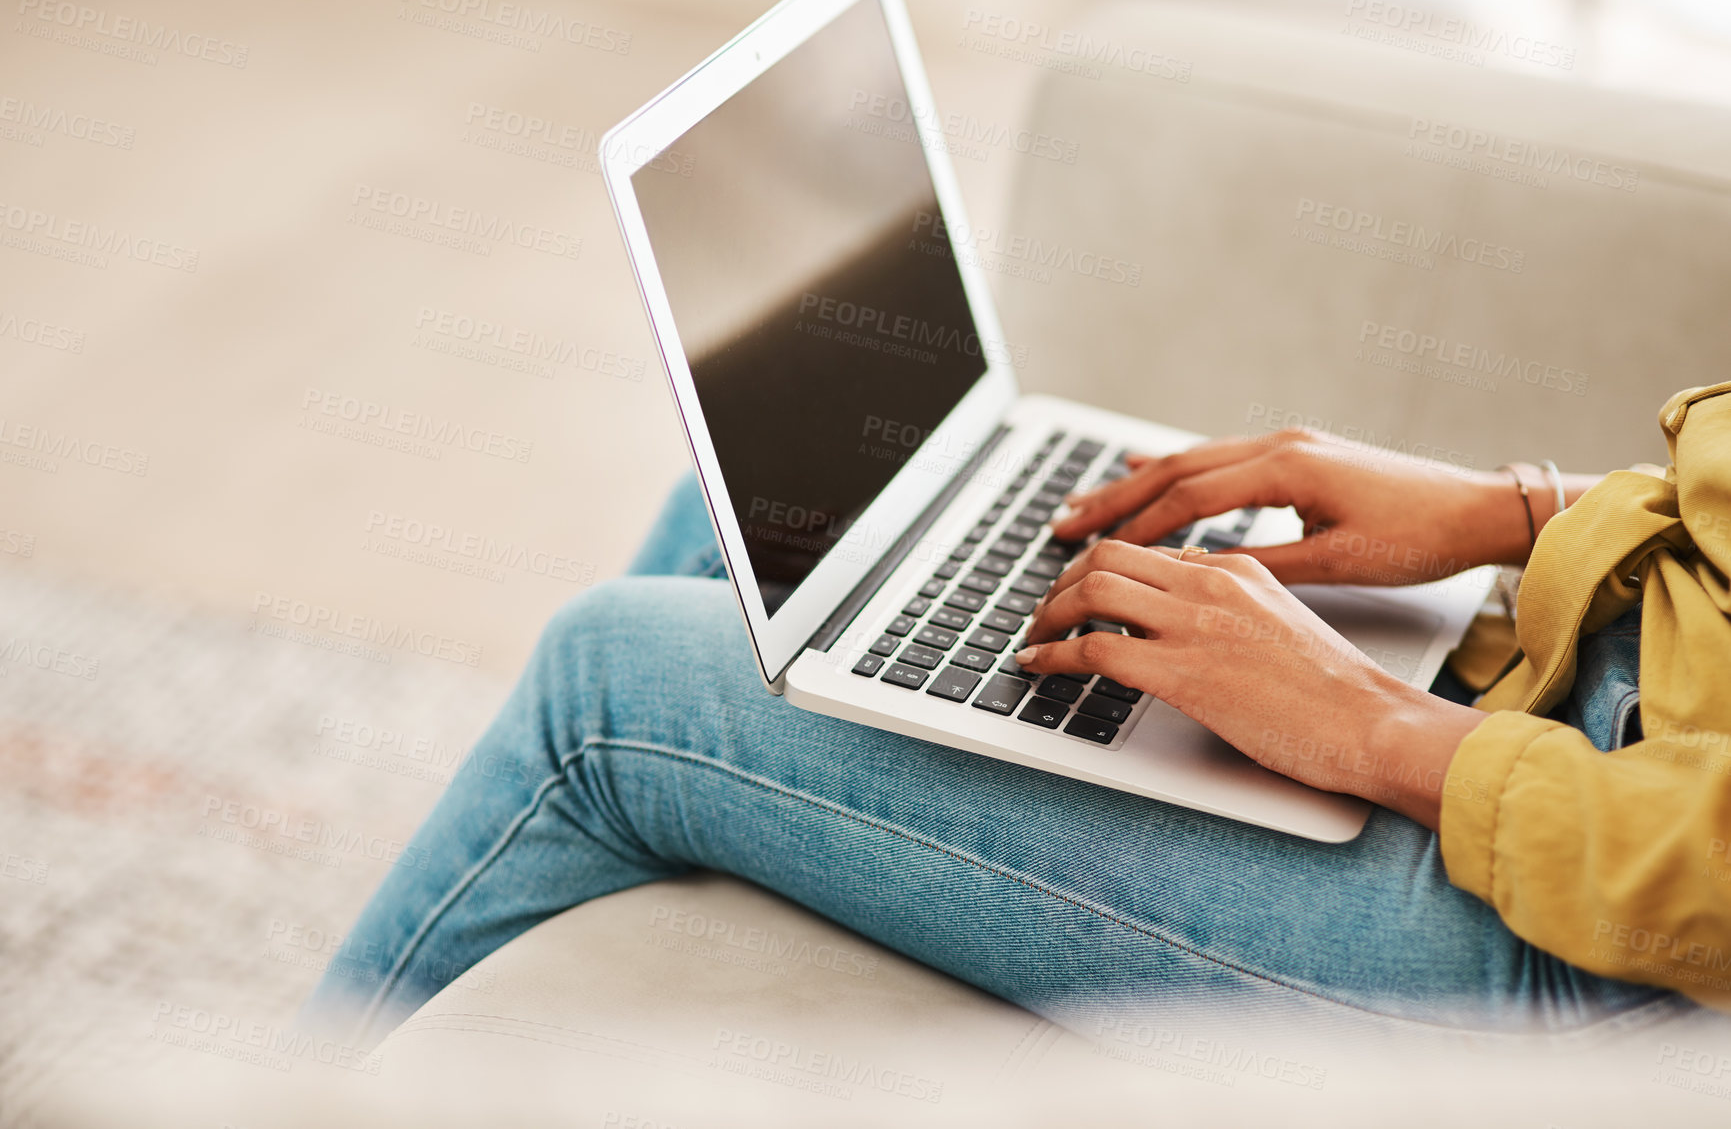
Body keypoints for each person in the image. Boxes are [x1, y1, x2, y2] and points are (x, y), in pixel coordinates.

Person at [306, 382, 1731, 1052]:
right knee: (792, 518)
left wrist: (1363, 723)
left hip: (1600, 936)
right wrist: (1524, 511)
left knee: (608, 683)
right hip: (1562, 671)